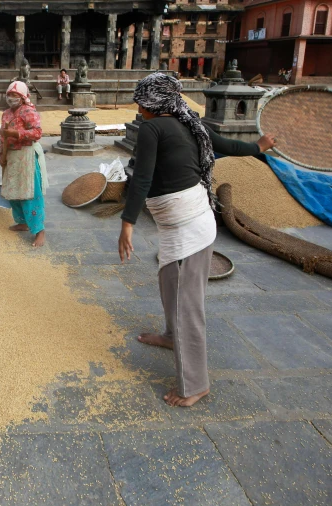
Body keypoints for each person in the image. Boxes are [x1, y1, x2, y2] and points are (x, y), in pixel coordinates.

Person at [117, 73, 276, 407]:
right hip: (191, 224)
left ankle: (195, 385)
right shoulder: (188, 123)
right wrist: (258, 147)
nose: (138, 106)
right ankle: (171, 336)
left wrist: (127, 223)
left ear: (153, 103)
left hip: (189, 228)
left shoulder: (153, 128)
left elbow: (141, 178)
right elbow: (230, 146)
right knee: (168, 283)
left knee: (187, 306)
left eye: (141, 100)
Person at [0, 81, 48, 248]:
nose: (11, 98)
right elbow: (2, 137)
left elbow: (37, 132)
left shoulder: (28, 111)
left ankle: (39, 230)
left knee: (29, 193)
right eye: (9, 95)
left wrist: (16, 133)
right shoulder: (6, 114)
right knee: (13, 191)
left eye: (15, 96)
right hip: (11, 156)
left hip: (26, 155)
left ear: (22, 97)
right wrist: (1, 155)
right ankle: (22, 222)